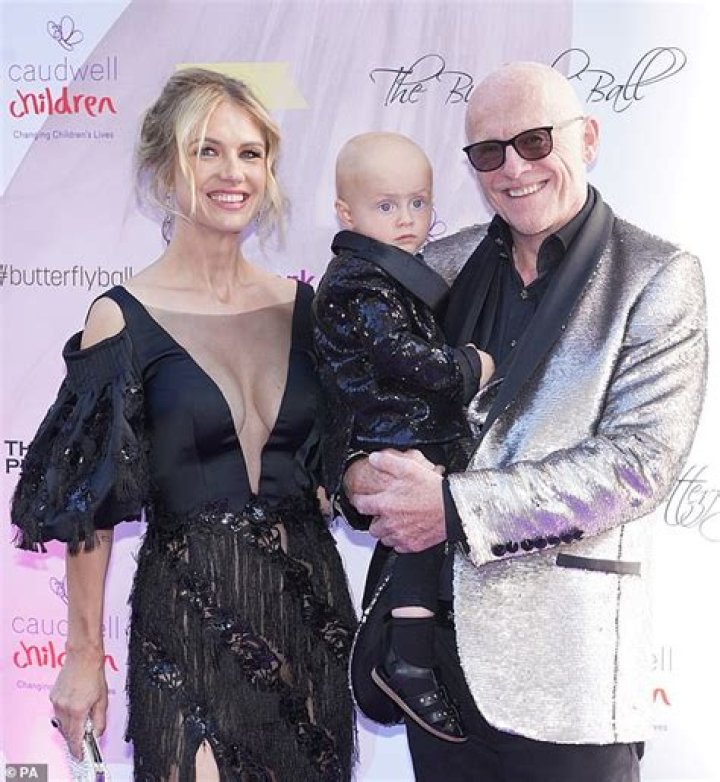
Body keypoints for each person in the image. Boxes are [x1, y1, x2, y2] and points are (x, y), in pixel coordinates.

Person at [342, 61, 707, 782]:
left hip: (568, 676)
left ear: (587, 138)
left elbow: (638, 464)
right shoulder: (435, 266)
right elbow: (358, 395)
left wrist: (453, 507)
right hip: (435, 675)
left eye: (536, 141)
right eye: (489, 152)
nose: (513, 168)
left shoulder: (656, 275)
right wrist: (357, 473)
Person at [11, 68, 356, 782]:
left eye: (250, 153)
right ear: (165, 169)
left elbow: (340, 469)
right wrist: (83, 656)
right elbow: (89, 509)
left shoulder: (306, 310)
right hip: (190, 632)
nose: (233, 172)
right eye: (207, 150)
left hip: (309, 623)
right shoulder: (121, 319)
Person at [313, 132, 494, 743]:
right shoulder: (359, 282)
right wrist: (467, 368)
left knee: (417, 536)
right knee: (420, 527)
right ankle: (406, 655)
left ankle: (395, 646)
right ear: (346, 213)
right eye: (386, 206)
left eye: (418, 203)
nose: (406, 219)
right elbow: (401, 356)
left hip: (402, 425)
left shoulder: (388, 271)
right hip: (389, 429)